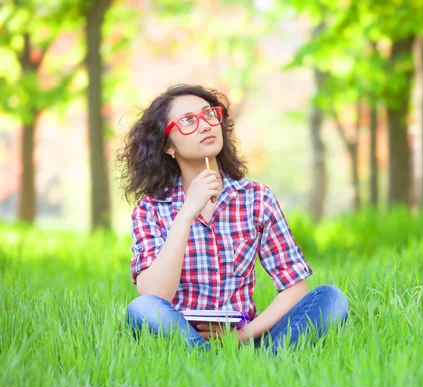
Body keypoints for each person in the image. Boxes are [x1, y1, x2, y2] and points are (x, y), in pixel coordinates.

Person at [117, 84, 349, 354]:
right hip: (182, 336)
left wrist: (241, 337)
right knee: (141, 309)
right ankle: (206, 359)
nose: (205, 126)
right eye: (188, 121)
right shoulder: (150, 209)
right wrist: (187, 212)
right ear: (168, 145)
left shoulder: (256, 198)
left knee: (332, 299)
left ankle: (258, 363)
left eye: (209, 115)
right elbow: (155, 296)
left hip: (246, 337)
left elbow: (295, 287)